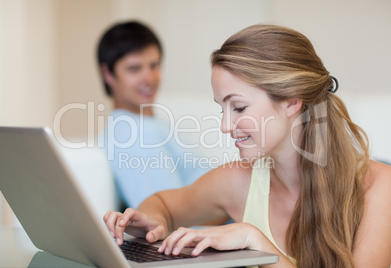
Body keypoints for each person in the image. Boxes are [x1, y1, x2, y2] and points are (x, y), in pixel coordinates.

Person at [103, 24, 391, 267]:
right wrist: (152, 220)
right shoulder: (237, 181)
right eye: (222, 109)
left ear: (292, 101)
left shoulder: (378, 189)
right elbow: (163, 203)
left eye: (238, 108)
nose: (225, 126)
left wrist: (255, 241)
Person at [97, 21, 210, 209]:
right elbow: (172, 217)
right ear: (107, 73)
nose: (149, 78)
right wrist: (235, 200)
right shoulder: (134, 135)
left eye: (154, 65)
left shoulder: (152, 125)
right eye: (134, 69)